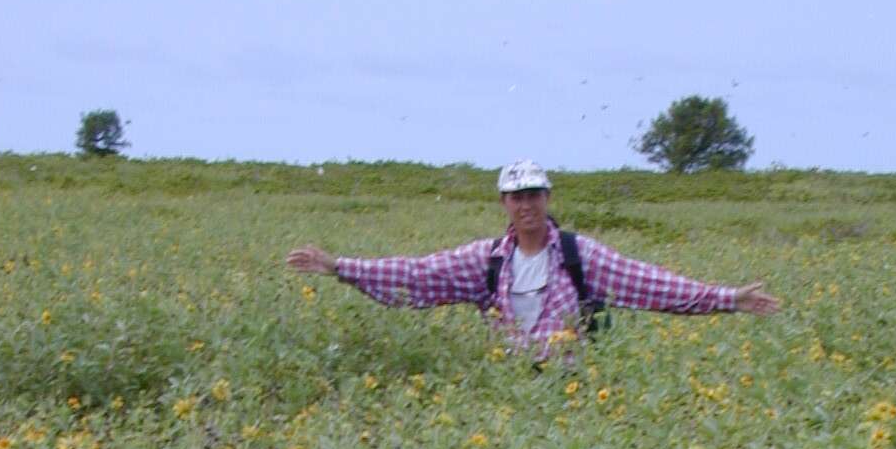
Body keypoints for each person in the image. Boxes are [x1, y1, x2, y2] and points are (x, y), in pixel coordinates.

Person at [285, 158, 781, 355]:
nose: (526, 205)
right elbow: (416, 276)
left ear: (548, 198)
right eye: (517, 197)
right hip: (507, 393)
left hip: (571, 392)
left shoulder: (576, 254)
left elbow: (649, 284)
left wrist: (727, 298)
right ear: (504, 204)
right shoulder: (487, 260)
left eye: (534, 195)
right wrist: (339, 268)